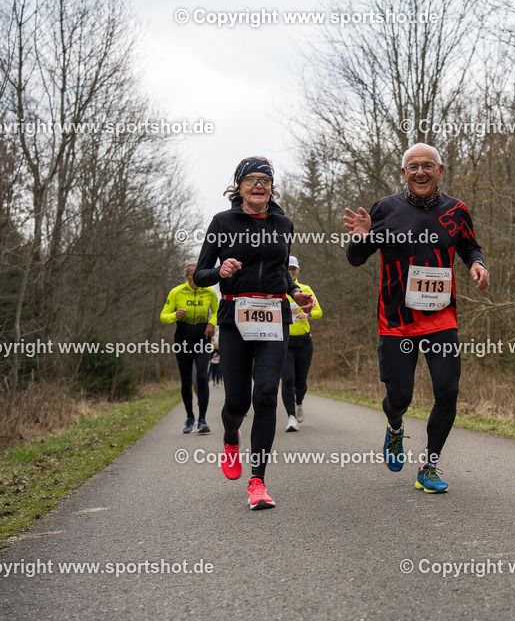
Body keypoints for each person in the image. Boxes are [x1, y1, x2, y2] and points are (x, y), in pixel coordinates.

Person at [343, 142, 489, 493]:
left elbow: (469, 245)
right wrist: (362, 237)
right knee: (400, 396)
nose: (420, 172)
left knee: (448, 389)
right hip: (396, 319)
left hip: (441, 316)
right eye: (413, 167)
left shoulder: (456, 210)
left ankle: (430, 464)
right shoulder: (386, 209)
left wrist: (477, 264)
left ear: (440, 171)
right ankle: (395, 428)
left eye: (427, 165)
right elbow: (356, 259)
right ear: (404, 174)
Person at [193, 157, 315, 510]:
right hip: (234, 318)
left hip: (274, 316)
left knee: (265, 395)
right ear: (239, 186)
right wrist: (220, 270)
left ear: (272, 187)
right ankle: (231, 437)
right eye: (251, 180)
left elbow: (281, 270)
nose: (259, 185)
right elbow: (201, 273)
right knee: (237, 402)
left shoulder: (284, 224)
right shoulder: (223, 222)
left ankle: (258, 481)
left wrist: (295, 292)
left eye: (265, 180)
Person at [160, 264, 217, 434]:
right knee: (186, 381)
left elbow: (217, 311)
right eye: (193, 275)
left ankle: (202, 420)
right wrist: (174, 315)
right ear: (186, 276)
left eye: (199, 275)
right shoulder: (176, 292)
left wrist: (211, 323)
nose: (196, 278)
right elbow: (163, 316)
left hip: (203, 339)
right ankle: (190, 417)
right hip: (182, 340)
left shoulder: (209, 292)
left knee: (201, 376)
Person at [282, 255, 322, 432]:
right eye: (288, 268)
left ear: (298, 270)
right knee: (287, 379)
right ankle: (291, 417)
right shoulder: (278, 289)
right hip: (284, 342)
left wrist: (309, 314)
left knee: (301, 382)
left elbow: (319, 311)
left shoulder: (305, 289)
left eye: (293, 269)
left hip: (304, 342)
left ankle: (299, 403)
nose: (291, 272)